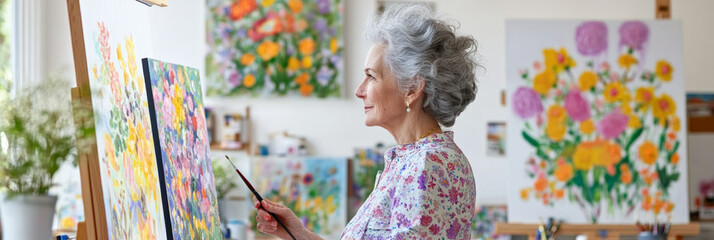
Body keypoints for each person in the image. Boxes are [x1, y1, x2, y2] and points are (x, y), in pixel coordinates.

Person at [254, 3, 480, 239]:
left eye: (371, 76)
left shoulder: (427, 165)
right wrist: (297, 233)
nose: (359, 91)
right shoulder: (413, 160)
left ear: (412, 88)